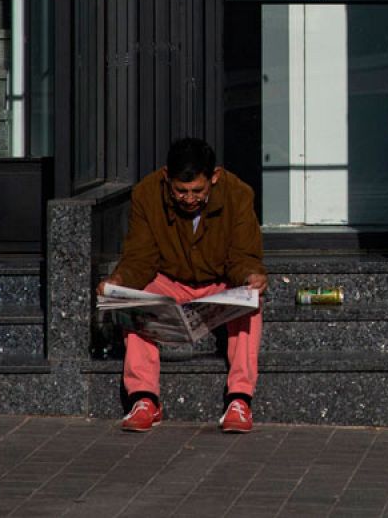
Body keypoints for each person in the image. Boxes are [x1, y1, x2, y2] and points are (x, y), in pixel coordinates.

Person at [96, 137, 266, 434]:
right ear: (166, 178)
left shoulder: (238, 194)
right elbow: (140, 256)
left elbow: (242, 255)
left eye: (197, 191)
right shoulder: (146, 194)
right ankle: (144, 398)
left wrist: (251, 276)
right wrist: (119, 282)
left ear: (214, 177)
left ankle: (240, 399)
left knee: (250, 304)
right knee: (137, 301)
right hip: (170, 279)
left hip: (220, 280)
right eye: (181, 191)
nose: (189, 198)